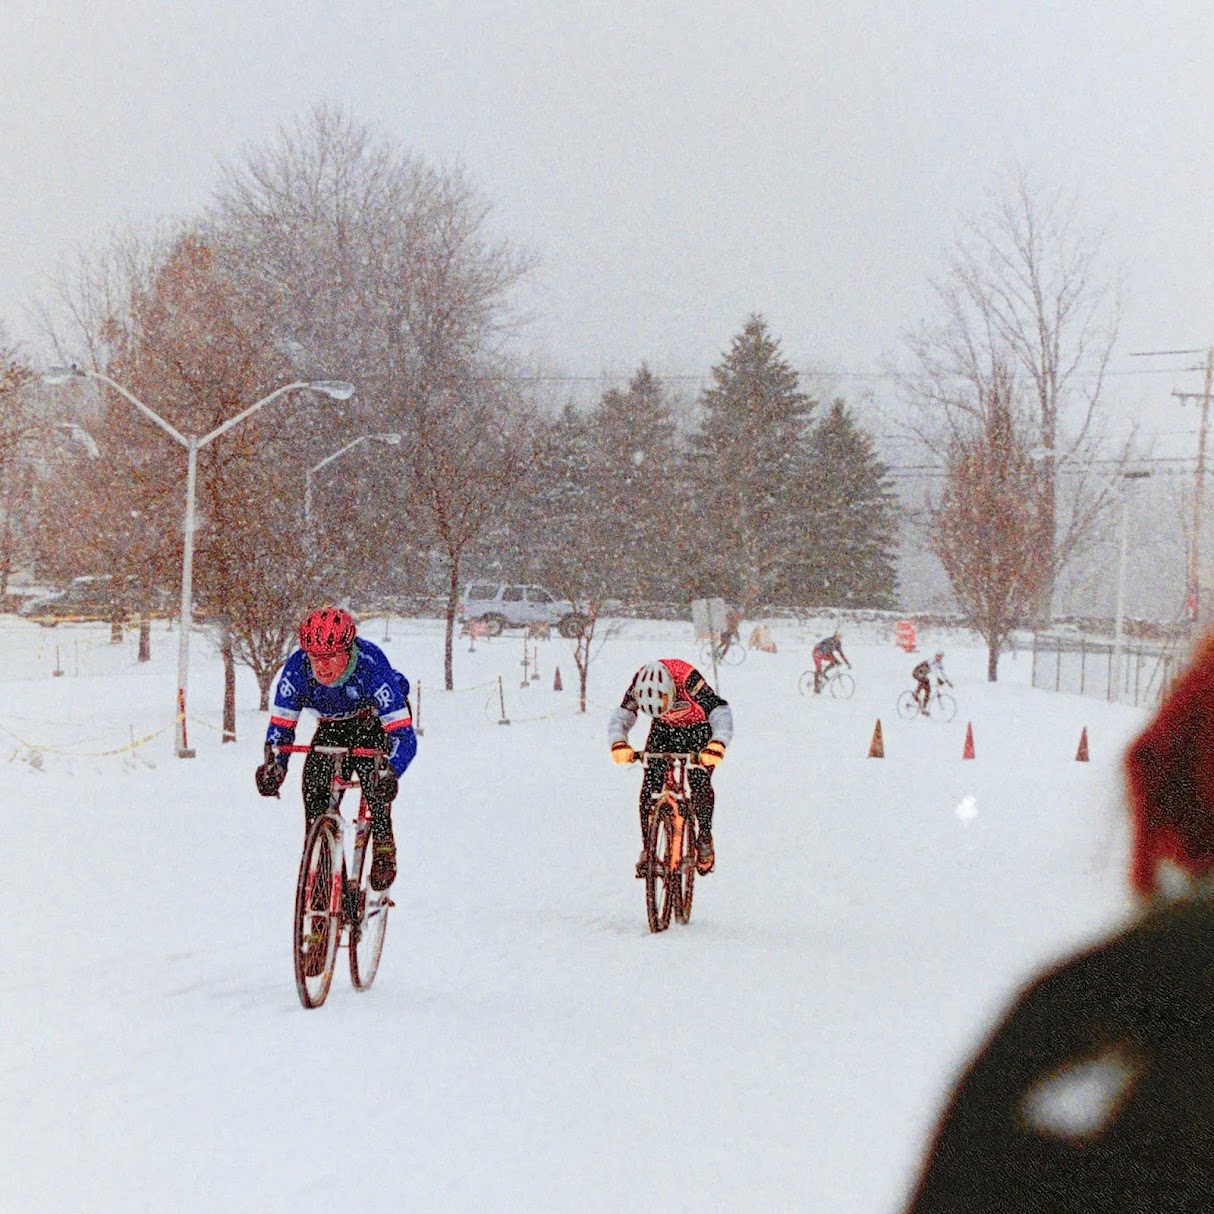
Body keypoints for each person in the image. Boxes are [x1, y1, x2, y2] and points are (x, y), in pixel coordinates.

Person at [255, 607, 418, 891]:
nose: (321, 666)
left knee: (373, 776)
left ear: (348, 650)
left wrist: (392, 771)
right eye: (314, 657)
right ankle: (323, 882)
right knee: (314, 797)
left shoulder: (372, 666)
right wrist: (275, 767)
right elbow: (281, 730)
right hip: (331, 725)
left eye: (330, 657)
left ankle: (382, 838)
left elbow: (404, 737)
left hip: (372, 721)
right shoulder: (296, 669)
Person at [608, 659, 734, 876]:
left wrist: (717, 743)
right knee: (650, 783)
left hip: (699, 728)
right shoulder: (640, 682)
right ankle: (649, 849)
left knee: (699, 780)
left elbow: (720, 711)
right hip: (664, 729)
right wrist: (619, 742)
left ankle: (704, 838)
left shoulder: (687, 679)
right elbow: (622, 716)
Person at [912, 651, 952, 716]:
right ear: (935, 656)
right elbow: (933, 671)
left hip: (923, 674)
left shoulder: (939, 663)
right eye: (938, 656)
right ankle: (915, 693)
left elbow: (943, 673)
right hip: (916, 672)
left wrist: (948, 681)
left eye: (941, 657)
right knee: (924, 681)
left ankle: (923, 709)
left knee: (928, 690)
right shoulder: (932, 662)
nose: (939, 658)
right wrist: (938, 679)